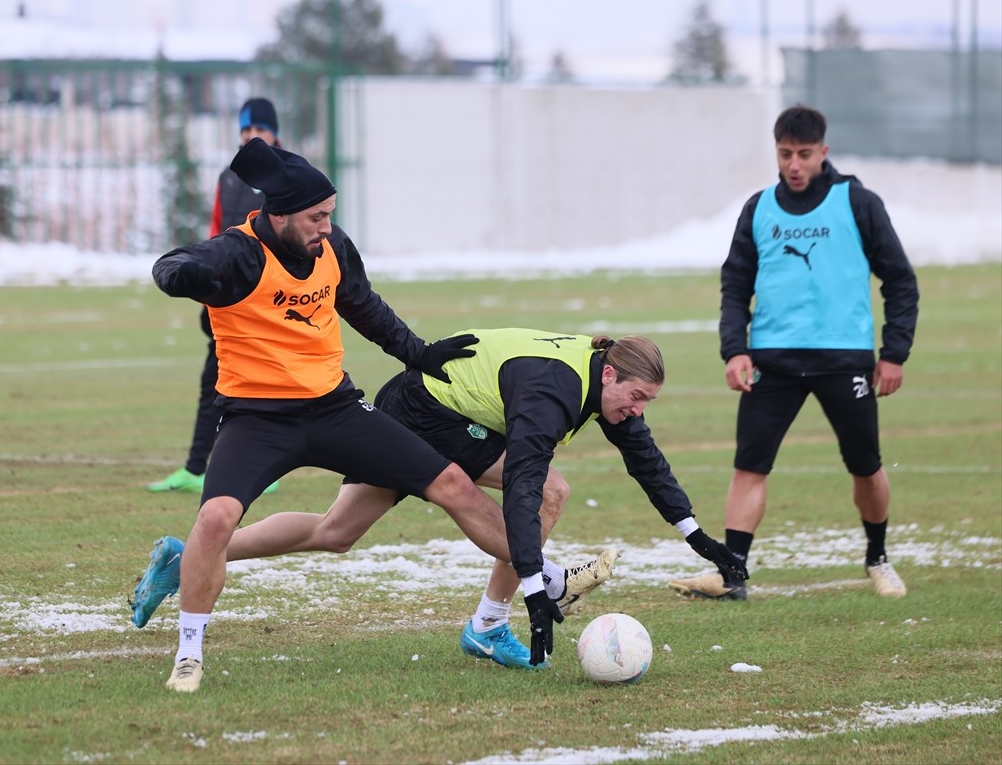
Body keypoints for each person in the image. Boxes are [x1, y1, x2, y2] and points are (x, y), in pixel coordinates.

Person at [150, 138, 577, 693]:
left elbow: (363, 306)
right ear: (279, 216)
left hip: (335, 409)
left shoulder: (331, 247)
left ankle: (543, 576)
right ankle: (188, 654)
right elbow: (172, 265)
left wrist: (419, 353)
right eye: (316, 217)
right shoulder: (237, 254)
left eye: (330, 214)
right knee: (214, 519)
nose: (326, 227)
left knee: (447, 485)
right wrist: (183, 277)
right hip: (257, 420)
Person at [130, 328, 746, 671]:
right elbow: (524, 483)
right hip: (425, 412)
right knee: (547, 491)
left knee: (335, 531)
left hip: (426, 407)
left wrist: (695, 535)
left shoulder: (604, 382)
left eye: (647, 403)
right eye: (636, 398)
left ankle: (191, 557)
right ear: (609, 374)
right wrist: (538, 587)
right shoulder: (555, 392)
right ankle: (492, 623)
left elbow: (646, 461)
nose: (637, 411)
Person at [669, 104, 919, 602]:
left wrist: (894, 353)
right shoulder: (759, 208)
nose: (794, 164)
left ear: (823, 151)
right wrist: (735, 351)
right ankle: (732, 575)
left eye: (804, 154)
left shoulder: (858, 202)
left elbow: (900, 280)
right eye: (785, 154)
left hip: (844, 359)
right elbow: (735, 285)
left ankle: (877, 558)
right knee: (749, 466)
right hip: (772, 361)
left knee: (865, 466)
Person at [147, 97, 282, 496]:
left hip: (268, 299)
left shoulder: (289, 174)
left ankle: (268, 469)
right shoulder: (229, 175)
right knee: (215, 382)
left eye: (259, 129)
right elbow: (217, 233)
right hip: (228, 298)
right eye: (245, 129)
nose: (251, 135)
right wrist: (209, 287)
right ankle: (195, 467)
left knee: (269, 386)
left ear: (274, 133)